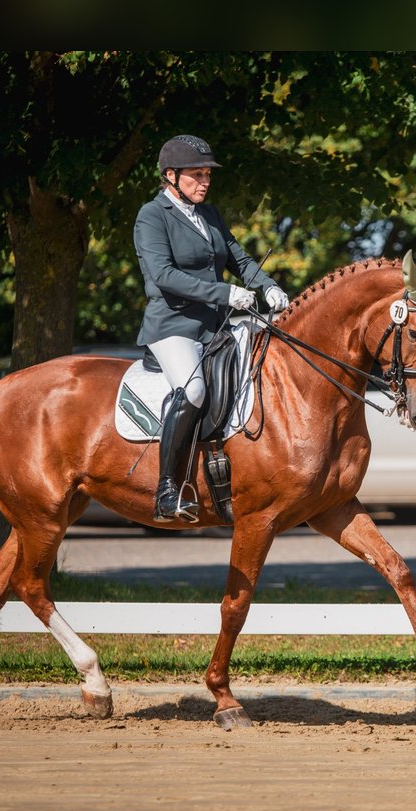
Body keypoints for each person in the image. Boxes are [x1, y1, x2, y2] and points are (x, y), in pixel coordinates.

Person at [134, 134, 290, 523]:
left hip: (215, 325)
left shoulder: (210, 215)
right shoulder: (151, 216)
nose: (204, 181)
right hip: (173, 325)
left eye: (207, 174)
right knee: (194, 388)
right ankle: (167, 490)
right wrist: (224, 293)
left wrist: (268, 286)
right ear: (170, 175)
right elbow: (163, 275)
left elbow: (239, 258)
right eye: (196, 175)